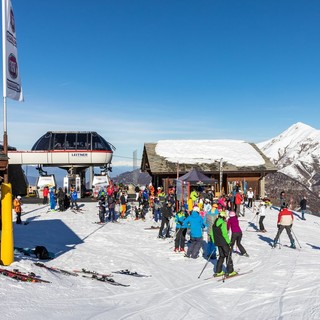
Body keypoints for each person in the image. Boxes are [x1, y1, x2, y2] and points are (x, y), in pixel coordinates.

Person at [210, 211, 237, 277]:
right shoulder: (222, 223)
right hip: (224, 242)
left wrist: (214, 241)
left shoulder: (214, 224)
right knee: (228, 255)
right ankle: (230, 271)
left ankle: (218, 271)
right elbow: (225, 234)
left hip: (218, 242)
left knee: (221, 256)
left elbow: (211, 233)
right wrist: (229, 242)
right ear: (223, 217)